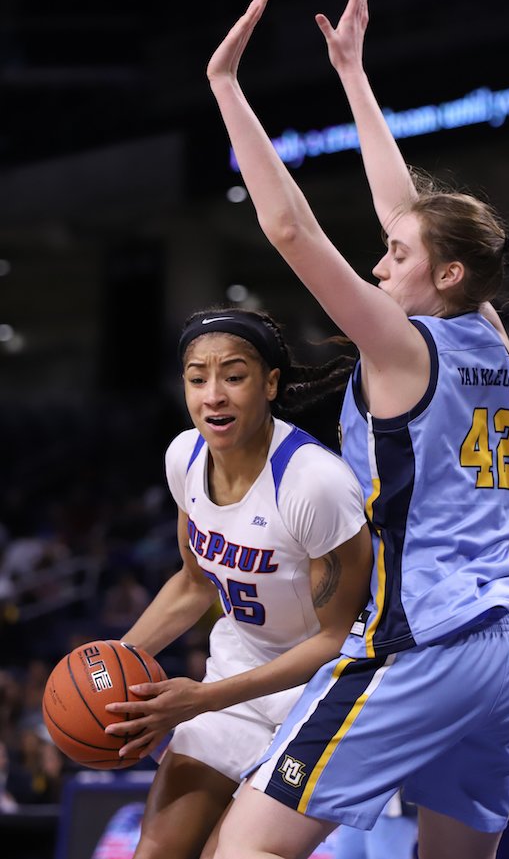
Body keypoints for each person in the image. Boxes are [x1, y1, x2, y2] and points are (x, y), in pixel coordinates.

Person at [201, 0, 509, 858]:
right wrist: (354, 76)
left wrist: (225, 87)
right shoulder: (488, 333)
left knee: (245, 847)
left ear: (447, 272)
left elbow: (287, 227)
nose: (377, 261)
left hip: (422, 643)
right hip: (507, 655)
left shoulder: (398, 346)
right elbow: (408, 210)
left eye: (394, 257)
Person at [103, 305, 373, 859]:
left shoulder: (314, 484)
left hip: (318, 698)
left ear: (271, 383)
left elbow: (333, 639)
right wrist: (113, 666)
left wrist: (200, 698)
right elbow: (194, 582)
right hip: (235, 681)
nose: (213, 395)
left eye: (233, 375)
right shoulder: (185, 457)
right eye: (198, 378)